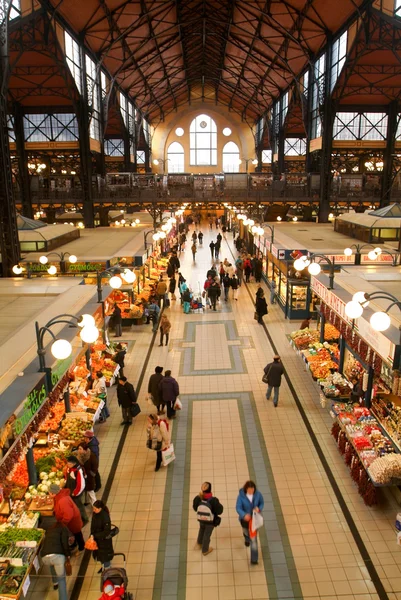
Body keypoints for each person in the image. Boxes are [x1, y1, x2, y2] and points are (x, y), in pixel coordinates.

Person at [41, 516, 71, 599]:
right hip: (57, 557)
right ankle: (63, 598)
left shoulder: (50, 529)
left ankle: (55, 583)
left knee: (51, 564)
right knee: (62, 579)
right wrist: (68, 555)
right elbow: (65, 543)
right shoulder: (64, 529)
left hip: (45, 557)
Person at [235, 481, 264, 565]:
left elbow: (262, 503)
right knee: (245, 532)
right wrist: (244, 515)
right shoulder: (241, 497)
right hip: (245, 520)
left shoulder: (258, 495)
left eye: (252, 489)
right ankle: (246, 539)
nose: (251, 491)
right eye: (249, 490)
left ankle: (254, 559)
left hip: (254, 520)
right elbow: (238, 507)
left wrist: (259, 508)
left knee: (254, 540)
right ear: (246, 489)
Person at [49, 483, 84, 551]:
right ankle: (75, 544)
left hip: (73, 522)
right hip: (71, 521)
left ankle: (81, 547)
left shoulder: (62, 500)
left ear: (53, 493)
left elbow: (68, 515)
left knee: (77, 534)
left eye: (49, 492)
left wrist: (62, 524)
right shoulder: (59, 496)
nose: (48, 494)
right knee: (75, 534)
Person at [193, 482, 224, 557]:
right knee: (207, 535)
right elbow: (220, 511)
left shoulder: (198, 498)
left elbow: (195, 508)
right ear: (210, 489)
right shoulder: (214, 500)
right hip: (210, 521)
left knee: (201, 530)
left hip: (201, 519)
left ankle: (199, 543)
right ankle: (205, 550)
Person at [90, 500, 114, 573]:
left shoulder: (105, 517)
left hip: (104, 542)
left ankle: (107, 569)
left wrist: (95, 535)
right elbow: (93, 525)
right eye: (93, 508)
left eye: (95, 509)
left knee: (105, 556)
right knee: (100, 555)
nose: (93, 510)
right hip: (97, 540)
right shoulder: (95, 514)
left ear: (100, 508)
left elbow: (106, 532)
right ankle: (103, 566)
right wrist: (92, 535)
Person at [64, 455, 88, 524]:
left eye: (70, 464)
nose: (68, 465)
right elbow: (67, 477)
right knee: (74, 506)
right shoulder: (69, 468)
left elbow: (81, 484)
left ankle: (84, 519)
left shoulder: (78, 471)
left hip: (76, 493)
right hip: (70, 491)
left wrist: (75, 493)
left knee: (79, 507)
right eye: (67, 463)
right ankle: (77, 519)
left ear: (74, 463)